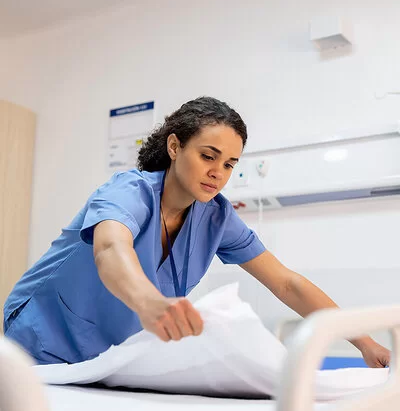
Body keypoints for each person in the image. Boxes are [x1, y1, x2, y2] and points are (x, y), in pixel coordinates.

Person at [3, 96, 390, 368]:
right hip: (38, 343)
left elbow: (287, 283)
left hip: (103, 357)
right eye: (208, 156)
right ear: (175, 147)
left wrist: (363, 340)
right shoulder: (130, 191)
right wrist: (151, 302)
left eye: (229, 164)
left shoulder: (216, 217)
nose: (218, 172)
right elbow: (109, 247)